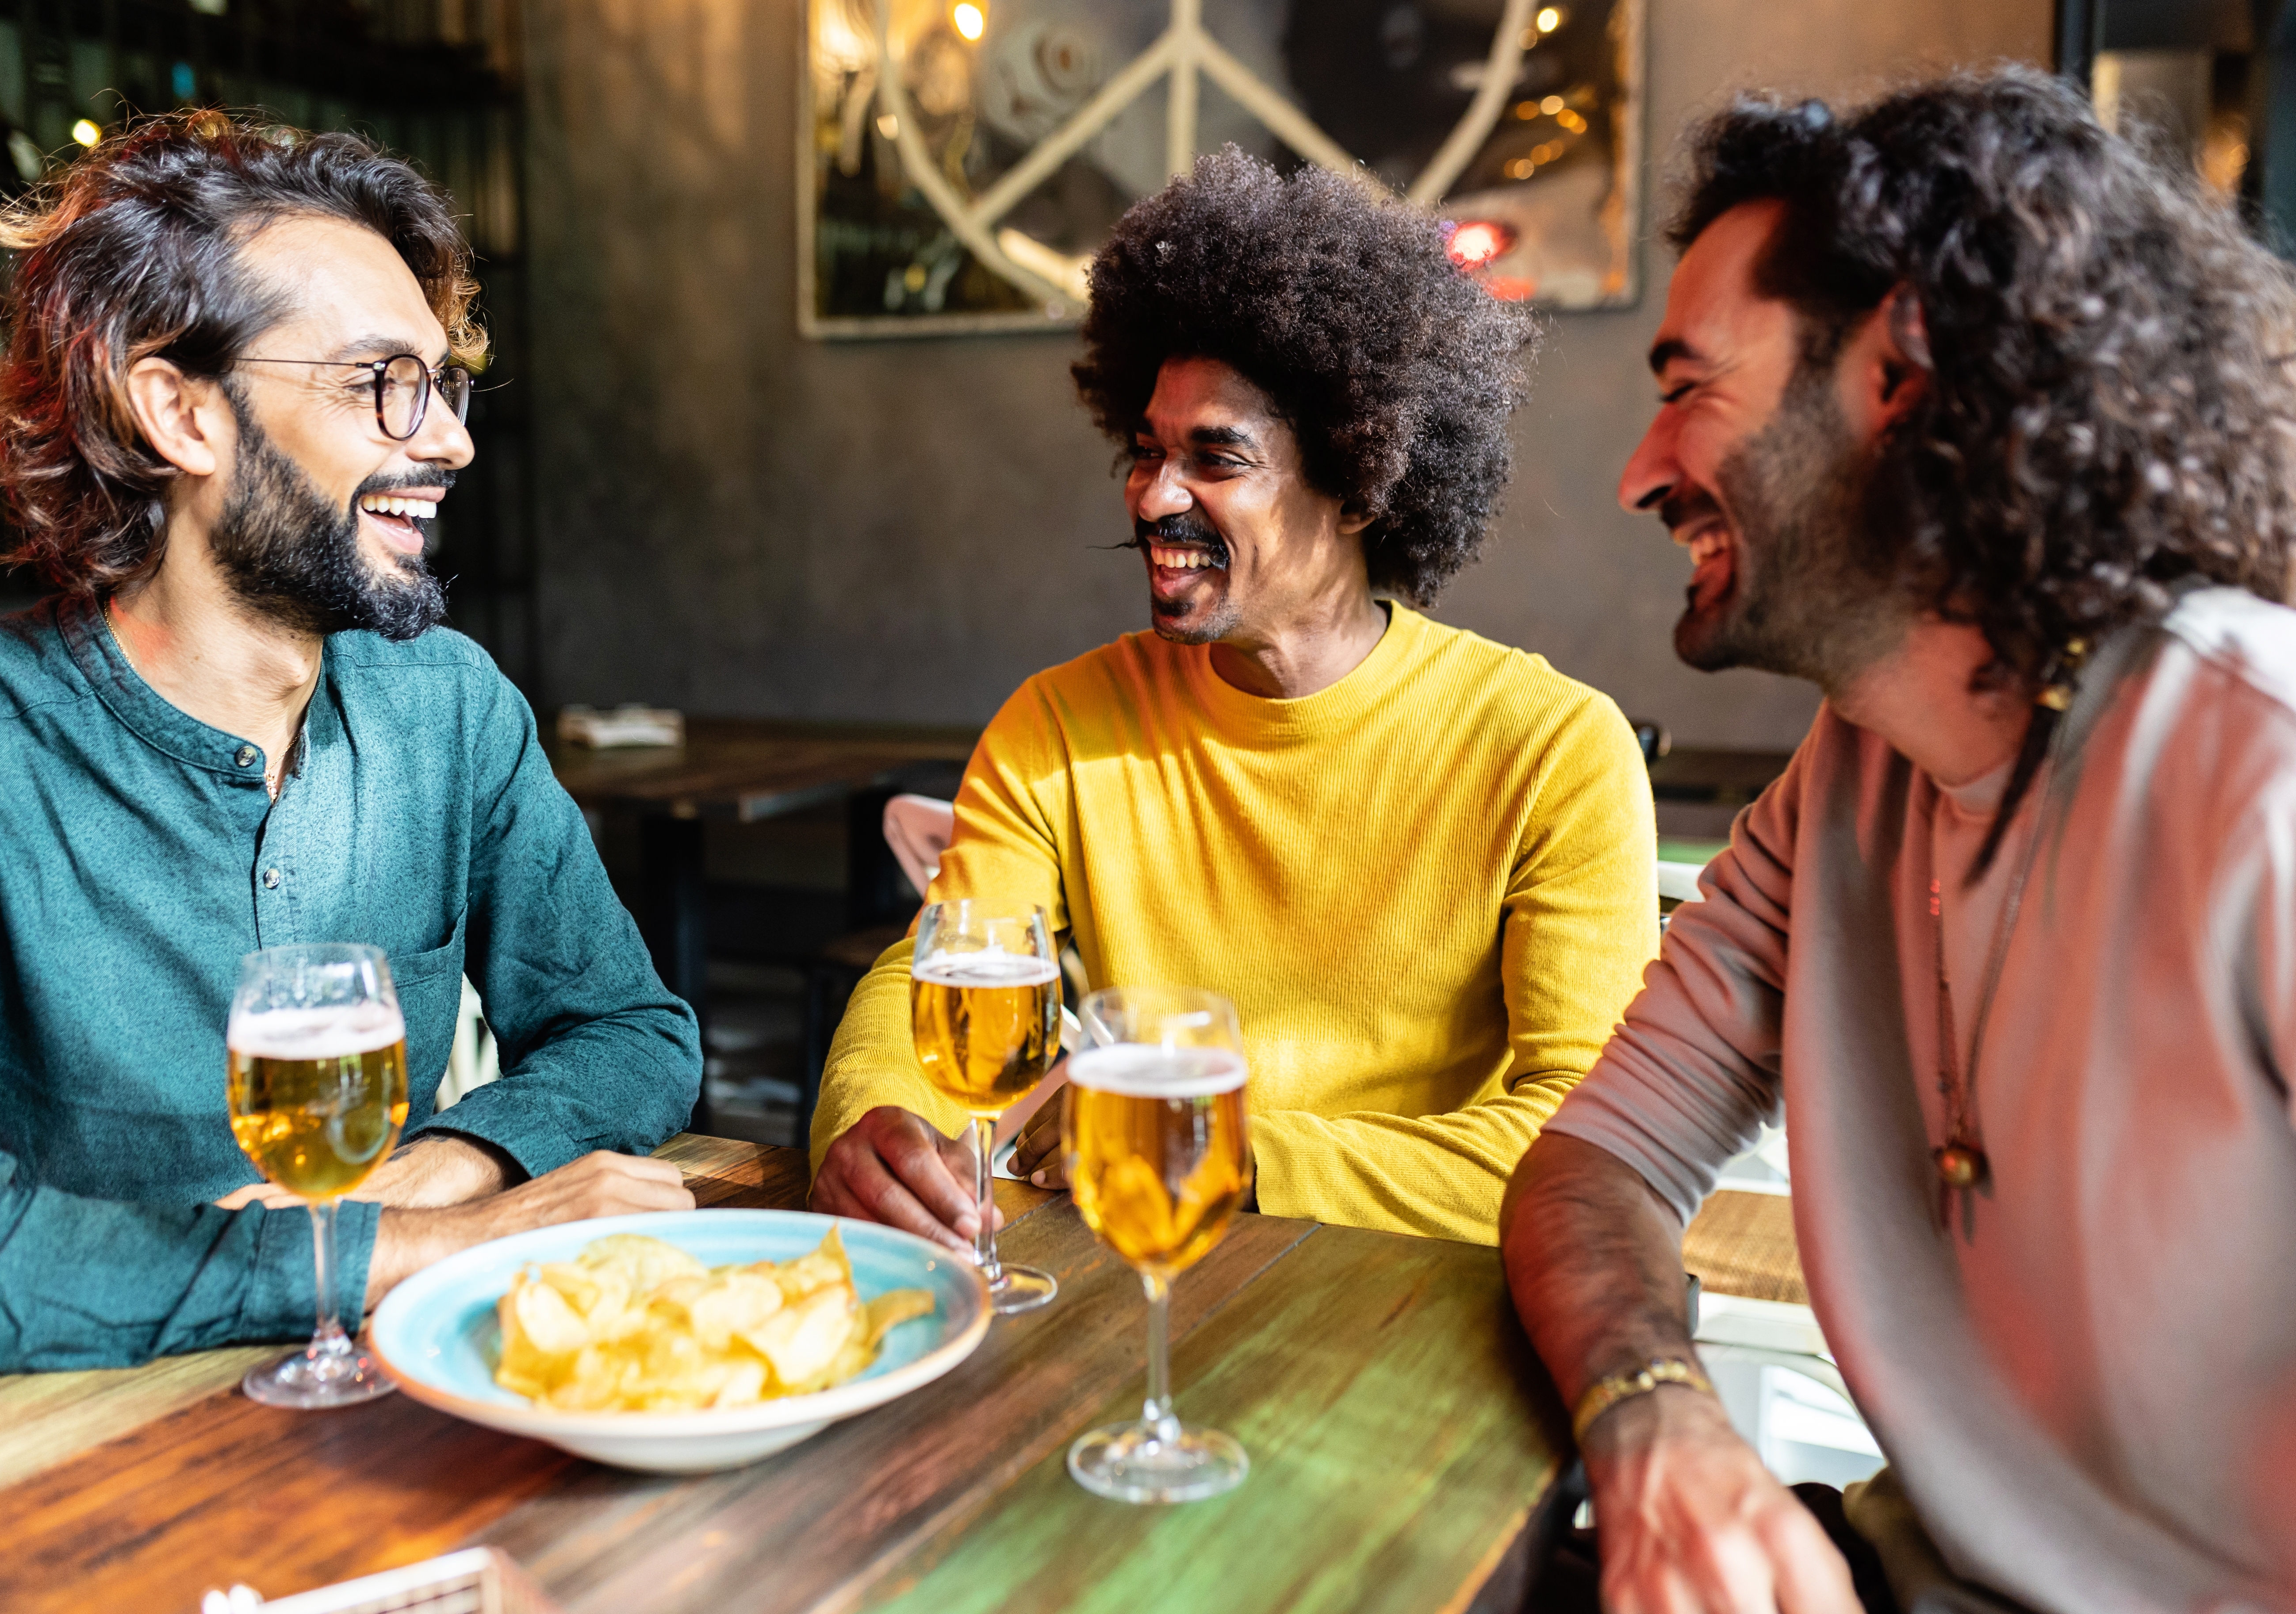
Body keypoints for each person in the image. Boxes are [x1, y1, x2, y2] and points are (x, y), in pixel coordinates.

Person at [1501, 71, 2296, 1613]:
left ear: (1902, 366)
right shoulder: (1849, 769)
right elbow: (1596, 1159)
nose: (1640, 469)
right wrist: (1652, 1414)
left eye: (1689, 385)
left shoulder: (2252, 758)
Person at [0, 113, 700, 1385]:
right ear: (181, 414)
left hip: (398, 1419)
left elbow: (631, 1031)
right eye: (384, 384)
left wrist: (454, 1169)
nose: (450, 441)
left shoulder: (450, 707)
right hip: (67, 1461)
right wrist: (388, 1250)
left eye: (445, 384)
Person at [809, 149, 1659, 1248]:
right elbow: (939, 961)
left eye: (1217, 458)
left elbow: (1585, 1148)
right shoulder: (1063, 725)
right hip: (1140, 1294)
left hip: (1417, 1306)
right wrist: (877, 1116)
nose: (1155, 495)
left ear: (1359, 484)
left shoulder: (1551, 749)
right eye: (1147, 449)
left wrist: (1227, 1143)